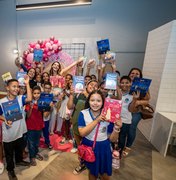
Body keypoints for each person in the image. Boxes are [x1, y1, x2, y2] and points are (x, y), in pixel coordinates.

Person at [78, 90, 122, 180]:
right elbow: (82, 133)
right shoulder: (83, 113)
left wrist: (117, 128)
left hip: (104, 147)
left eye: (98, 101)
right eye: (92, 100)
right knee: (92, 172)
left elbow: (112, 139)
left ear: (103, 102)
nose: (95, 103)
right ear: (88, 101)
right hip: (89, 146)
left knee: (105, 175)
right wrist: (97, 120)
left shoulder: (108, 115)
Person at [0, 77, 32, 180]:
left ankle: (19, 161)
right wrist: (5, 120)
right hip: (9, 133)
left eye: (18, 86)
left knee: (19, 148)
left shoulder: (20, 98)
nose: (16, 89)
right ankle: (10, 170)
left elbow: (30, 99)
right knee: (9, 153)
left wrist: (27, 84)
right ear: (7, 88)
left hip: (20, 130)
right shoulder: (1, 101)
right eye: (14, 86)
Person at [67, 79, 98, 175]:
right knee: (80, 147)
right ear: (86, 85)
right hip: (76, 125)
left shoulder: (98, 98)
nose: (93, 86)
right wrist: (72, 94)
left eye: (95, 85)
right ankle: (82, 164)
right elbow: (70, 106)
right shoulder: (79, 95)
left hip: (89, 129)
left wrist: (88, 96)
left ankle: (93, 167)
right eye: (91, 84)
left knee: (90, 149)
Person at [123, 68, 150, 156]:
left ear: (140, 75)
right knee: (123, 128)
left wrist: (137, 102)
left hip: (136, 111)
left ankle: (128, 146)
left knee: (131, 128)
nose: (134, 75)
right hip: (125, 110)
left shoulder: (143, 85)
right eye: (132, 73)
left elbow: (147, 101)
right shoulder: (125, 83)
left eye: (137, 73)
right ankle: (121, 145)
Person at [117, 76, 138, 157]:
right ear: (120, 84)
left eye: (127, 82)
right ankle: (112, 152)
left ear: (130, 84)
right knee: (114, 137)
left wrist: (135, 100)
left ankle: (119, 155)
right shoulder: (116, 92)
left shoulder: (132, 95)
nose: (124, 84)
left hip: (126, 120)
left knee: (122, 137)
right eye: (122, 82)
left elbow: (131, 110)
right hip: (115, 119)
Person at [25, 86, 44, 166]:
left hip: (39, 125)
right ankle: (32, 157)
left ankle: (35, 153)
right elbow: (28, 116)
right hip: (31, 126)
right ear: (32, 94)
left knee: (36, 142)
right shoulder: (29, 102)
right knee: (31, 143)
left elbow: (45, 114)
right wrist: (31, 108)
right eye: (35, 93)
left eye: (38, 93)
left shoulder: (42, 102)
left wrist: (49, 107)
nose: (36, 95)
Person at [59, 74, 73, 144]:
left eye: (69, 78)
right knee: (65, 122)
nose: (68, 80)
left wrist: (66, 92)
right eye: (66, 78)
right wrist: (63, 94)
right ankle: (65, 136)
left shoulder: (74, 88)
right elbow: (63, 98)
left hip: (71, 106)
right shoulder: (64, 87)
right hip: (65, 105)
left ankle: (70, 137)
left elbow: (72, 96)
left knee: (70, 122)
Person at [42, 82, 53, 149]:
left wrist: (50, 107)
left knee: (46, 131)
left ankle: (47, 142)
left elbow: (51, 109)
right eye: (46, 88)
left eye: (49, 88)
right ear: (43, 88)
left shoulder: (50, 97)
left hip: (46, 117)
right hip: (39, 118)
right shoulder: (39, 95)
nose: (47, 90)